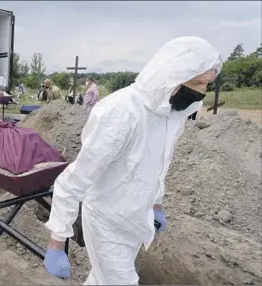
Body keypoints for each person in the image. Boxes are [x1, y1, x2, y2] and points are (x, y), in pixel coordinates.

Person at [42, 36, 222, 285]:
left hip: (136, 219)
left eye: (207, 84)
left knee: (100, 280)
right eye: (196, 82)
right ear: (171, 75)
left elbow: (158, 165)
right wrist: (57, 241)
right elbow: (75, 179)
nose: (201, 91)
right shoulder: (121, 113)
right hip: (106, 222)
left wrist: (156, 205)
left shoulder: (173, 113)